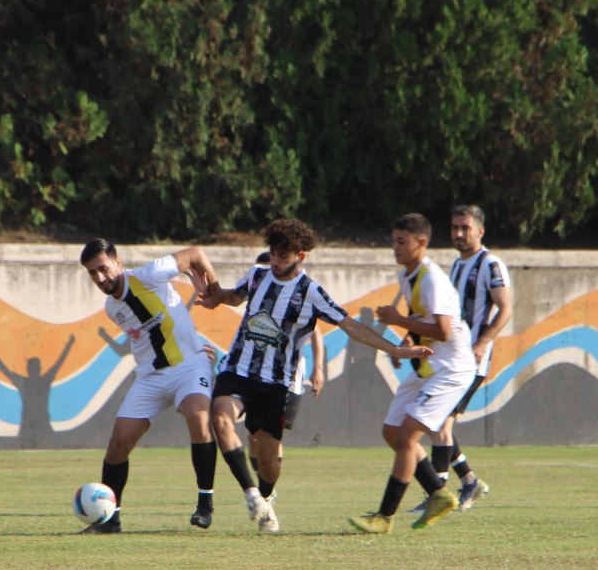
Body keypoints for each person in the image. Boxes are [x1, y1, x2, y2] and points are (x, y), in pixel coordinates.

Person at [198, 219, 431, 533]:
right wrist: (216, 297)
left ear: (301, 256)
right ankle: (252, 495)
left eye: (284, 255)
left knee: (269, 462)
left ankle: (266, 498)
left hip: (277, 384)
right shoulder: (257, 276)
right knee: (220, 416)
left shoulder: (311, 292)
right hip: (238, 370)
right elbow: (233, 295)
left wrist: (395, 349)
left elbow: (350, 326)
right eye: (274, 254)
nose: (277, 261)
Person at [78, 239, 223, 533]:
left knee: (199, 417)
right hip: (151, 378)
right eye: (93, 273)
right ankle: (109, 520)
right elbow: (150, 336)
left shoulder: (150, 274)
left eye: (103, 268)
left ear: (118, 262)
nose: (100, 277)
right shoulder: (111, 308)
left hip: (189, 367)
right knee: (119, 444)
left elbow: (195, 253)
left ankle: (205, 504)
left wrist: (215, 290)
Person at [349, 213, 477, 534]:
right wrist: (405, 343)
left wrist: (398, 321)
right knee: (392, 433)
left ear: (422, 243)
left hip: (450, 369)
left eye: (401, 242)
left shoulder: (433, 278)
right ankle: (438, 494)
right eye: (393, 241)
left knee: (407, 435)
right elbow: (423, 318)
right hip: (426, 364)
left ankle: (384, 516)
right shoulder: (408, 276)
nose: (395, 247)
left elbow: (445, 331)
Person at [409, 204, 511, 514]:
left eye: (465, 228)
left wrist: (482, 341)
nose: (459, 233)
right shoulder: (455, 266)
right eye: (455, 227)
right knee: (438, 424)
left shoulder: (491, 265)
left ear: (480, 230)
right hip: (450, 358)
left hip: (472, 360)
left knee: (440, 423)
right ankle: (468, 481)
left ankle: (436, 494)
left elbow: (505, 308)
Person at [245, 252, 324, 478]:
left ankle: (267, 494)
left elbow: (316, 330)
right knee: (252, 438)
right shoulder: (257, 297)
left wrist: (318, 368)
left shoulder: (297, 296)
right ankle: (262, 488)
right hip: (256, 375)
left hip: (287, 377)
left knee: (271, 434)